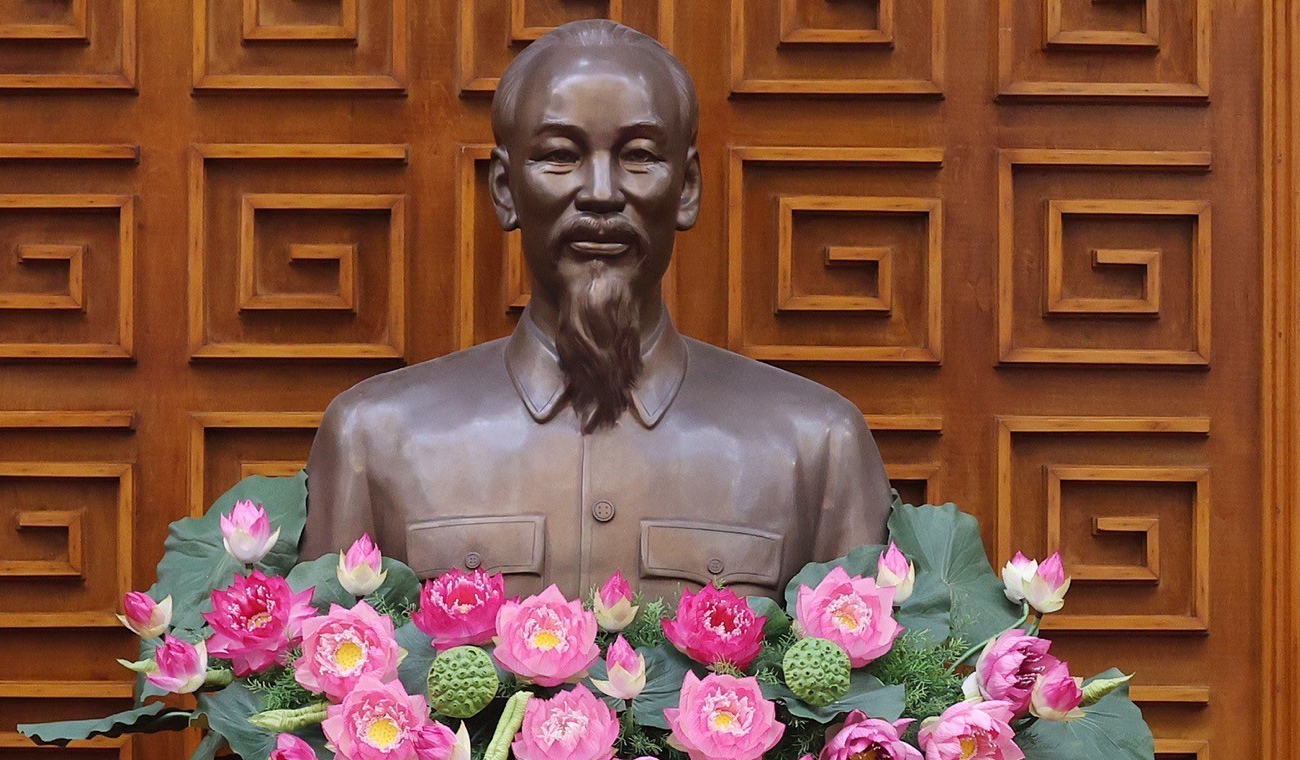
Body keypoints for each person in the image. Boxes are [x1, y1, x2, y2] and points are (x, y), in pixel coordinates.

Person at [301, 19, 887, 603]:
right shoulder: (373, 440)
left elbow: (866, 655)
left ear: (686, 187)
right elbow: (317, 654)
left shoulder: (816, 448)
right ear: (504, 188)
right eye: (560, 156)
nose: (601, 193)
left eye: (639, 156)